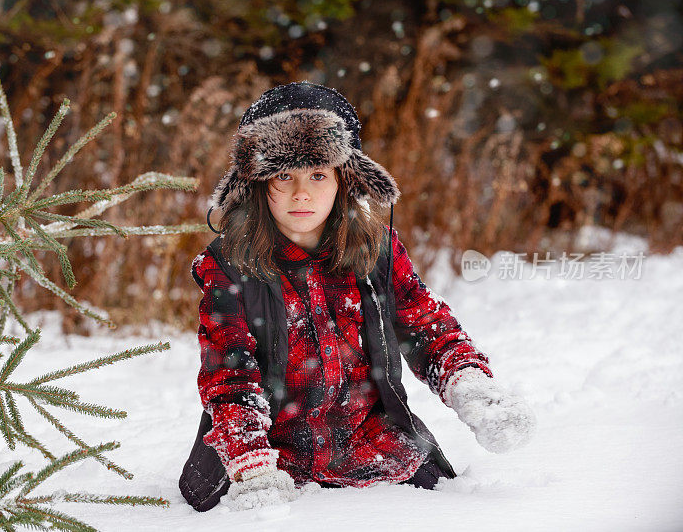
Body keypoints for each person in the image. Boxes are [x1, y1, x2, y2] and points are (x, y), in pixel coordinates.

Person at [179, 81, 536, 512]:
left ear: (346, 178)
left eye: (317, 174)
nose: (301, 193)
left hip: (374, 448)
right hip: (272, 460)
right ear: (256, 183)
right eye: (283, 176)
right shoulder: (231, 266)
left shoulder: (377, 250)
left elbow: (428, 327)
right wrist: (252, 466)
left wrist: (475, 393)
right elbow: (230, 377)